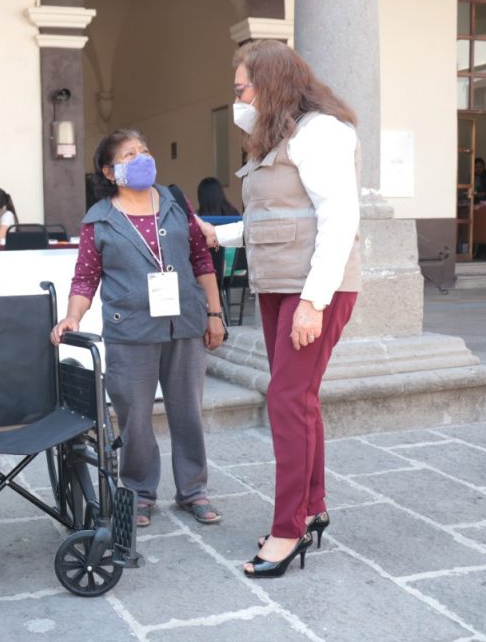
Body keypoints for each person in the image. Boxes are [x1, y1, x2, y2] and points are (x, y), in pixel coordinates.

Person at [214, 40, 361, 578]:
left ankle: (288, 528)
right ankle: (313, 506)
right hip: (279, 285)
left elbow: (338, 218)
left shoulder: (323, 132)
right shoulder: (277, 137)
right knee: (299, 399)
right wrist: (218, 233)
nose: (237, 98)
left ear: (270, 83)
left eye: (242, 88)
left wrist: (313, 303)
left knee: (285, 398)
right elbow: (273, 217)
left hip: (311, 289)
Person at [50, 129, 226, 529]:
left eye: (144, 150)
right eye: (129, 154)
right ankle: (140, 490)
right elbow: (85, 277)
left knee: (189, 413)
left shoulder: (176, 203)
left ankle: (193, 489)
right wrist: (72, 315)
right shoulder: (99, 220)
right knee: (134, 416)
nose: (141, 158)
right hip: (129, 330)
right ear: (110, 172)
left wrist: (215, 314)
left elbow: (201, 260)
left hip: (185, 323)